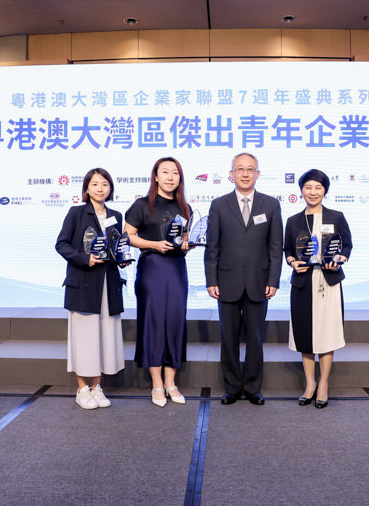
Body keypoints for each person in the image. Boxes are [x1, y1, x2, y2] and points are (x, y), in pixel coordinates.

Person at [204, 152, 283, 405]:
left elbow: (275, 247)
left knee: (255, 340)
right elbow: (212, 247)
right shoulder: (219, 204)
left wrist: (273, 280)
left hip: (259, 282)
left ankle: (252, 388)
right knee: (228, 339)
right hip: (226, 282)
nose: (245, 174)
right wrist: (211, 280)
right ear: (231, 174)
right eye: (240, 169)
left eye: (250, 169)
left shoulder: (271, 205)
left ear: (258, 174)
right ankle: (232, 387)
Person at [55, 168, 128, 410]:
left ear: (111, 188)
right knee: (84, 338)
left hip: (108, 285)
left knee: (105, 337)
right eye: (95, 184)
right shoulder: (76, 213)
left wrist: (122, 259)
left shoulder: (116, 215)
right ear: (86, 188)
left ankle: (97, 388)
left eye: (105, 184)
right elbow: (61, 244)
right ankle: (82, 389)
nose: (100, 188)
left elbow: (116, 248)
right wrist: (85, 258)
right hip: (83, 284)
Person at [123, 157, 193, 407]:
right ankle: (156, 384)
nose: (170, 177)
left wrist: (187, 244)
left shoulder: (185, 207)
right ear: (155, 176)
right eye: (165, 172)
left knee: (175, 322)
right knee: (153, 323)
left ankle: (171, 383)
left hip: (176, 269)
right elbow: (127, 236)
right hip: (152, 267)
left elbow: (183, 239)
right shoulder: (142, 205)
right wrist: (153, 244)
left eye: (175, 172)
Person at [283, 169, 352, 409]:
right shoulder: (293, 220)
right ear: (301, 190)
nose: (313, 192)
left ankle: (323, 384)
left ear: (325, 190)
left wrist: (340, 259)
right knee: (305, 335)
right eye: (308, 187)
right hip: (303, 282)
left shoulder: (336, 216)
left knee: (327, 333)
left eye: (318, 188)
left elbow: (347, 246)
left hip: (329, 282)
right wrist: (292, 262)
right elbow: (288, 250)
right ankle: (310, 384)